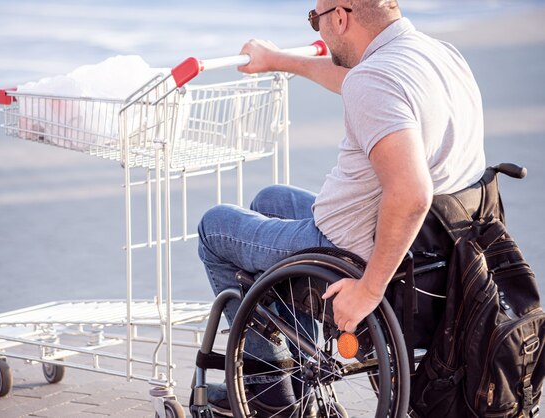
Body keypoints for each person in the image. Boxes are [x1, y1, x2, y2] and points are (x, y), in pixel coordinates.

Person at [198, 0, 486, 415]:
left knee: (215, 228)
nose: (317, 31)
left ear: (340, 16)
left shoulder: (374, 80)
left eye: (315, 19)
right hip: (434, 247)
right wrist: (279, 60)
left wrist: (368, 289)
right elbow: (354, 80)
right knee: (270, 199)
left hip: (348, 247)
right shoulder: (438, 54)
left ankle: (267, 392)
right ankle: (293, 363)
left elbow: (411, 193)